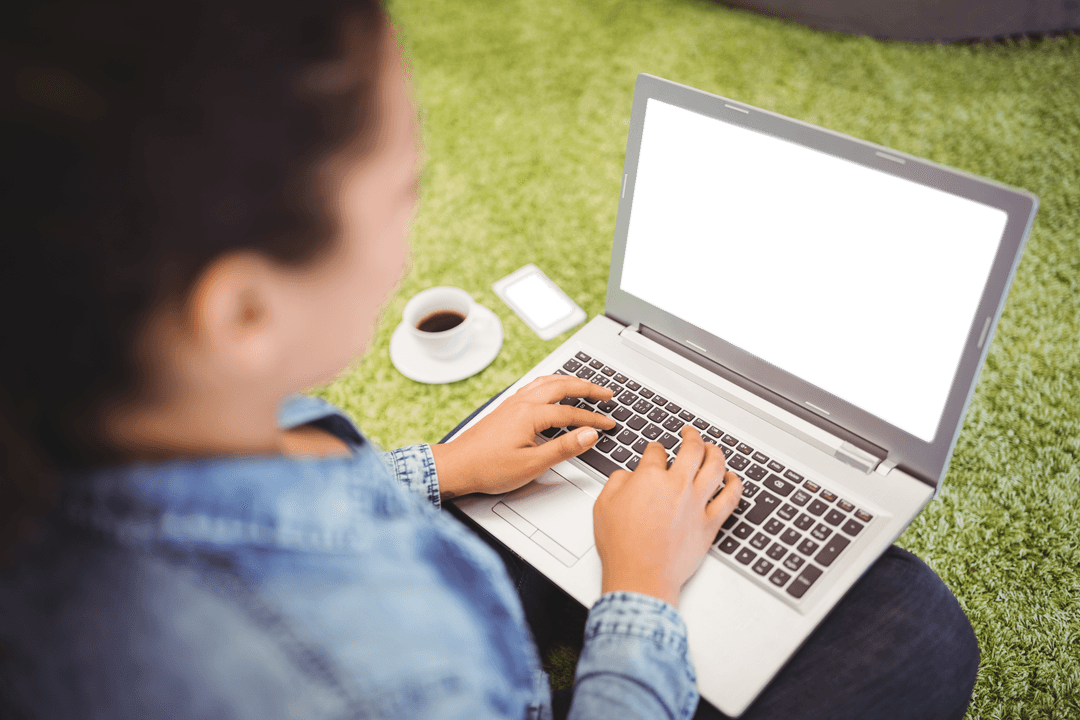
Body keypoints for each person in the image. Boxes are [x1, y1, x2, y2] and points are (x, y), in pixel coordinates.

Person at [0, 1, 980, 718]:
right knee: (911, 627)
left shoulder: (71, 412)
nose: (413, 219)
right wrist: (638, 597)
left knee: (532, 458)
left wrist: (440, 470)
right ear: (243, 309)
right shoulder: (388, 671)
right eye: (404, 187)